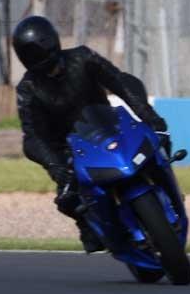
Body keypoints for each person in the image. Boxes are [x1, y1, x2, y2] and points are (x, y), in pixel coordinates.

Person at [13, 15, 170, 253]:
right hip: (71, 149)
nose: (35, 56)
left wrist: (152, 119)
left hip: (109, 128)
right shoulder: (28, 89)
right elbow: (32, 135)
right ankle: (89, 226)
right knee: (68, 199)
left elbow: (120, 83)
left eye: (37, 50)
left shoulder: (83, 58)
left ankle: (168, 192)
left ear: (51, 42)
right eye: (28, 53)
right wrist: (56, 168)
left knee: (156, 149)